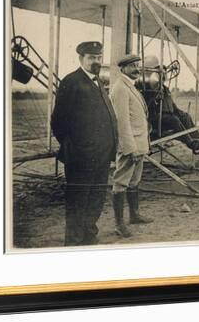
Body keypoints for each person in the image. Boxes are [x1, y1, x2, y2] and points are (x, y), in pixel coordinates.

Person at [51, 41, 118, 246]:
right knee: (78, 200)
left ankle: (89, 235)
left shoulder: (98, 82)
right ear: (81, 59)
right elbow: (58, 121)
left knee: (96, 199)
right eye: (91, 58)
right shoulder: (71, 82)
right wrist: (76, 147)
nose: (96, 61)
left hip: (101, 155)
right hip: (82, 157)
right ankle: (74, 241)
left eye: (98, 57)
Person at [110, 54, 154, 238]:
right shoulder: (120, 88)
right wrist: (130, 148)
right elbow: (122, 122)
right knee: (121, 183)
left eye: (138, 65)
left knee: (134, 181)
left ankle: (134, 215)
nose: (137, 69)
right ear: (123, 69)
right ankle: (119, 224)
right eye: (133, 66)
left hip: (139, 143)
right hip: (131, 145)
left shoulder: (130, 86)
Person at [136, 55, 199, 154]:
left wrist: (180, 113)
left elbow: (172, 107)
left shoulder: (164, 89)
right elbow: (146, 109)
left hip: (166, 118)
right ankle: (192, 144)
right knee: (174, 120)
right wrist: (155, 97)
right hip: (155, 120)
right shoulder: (145, 89)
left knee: (185, 116)